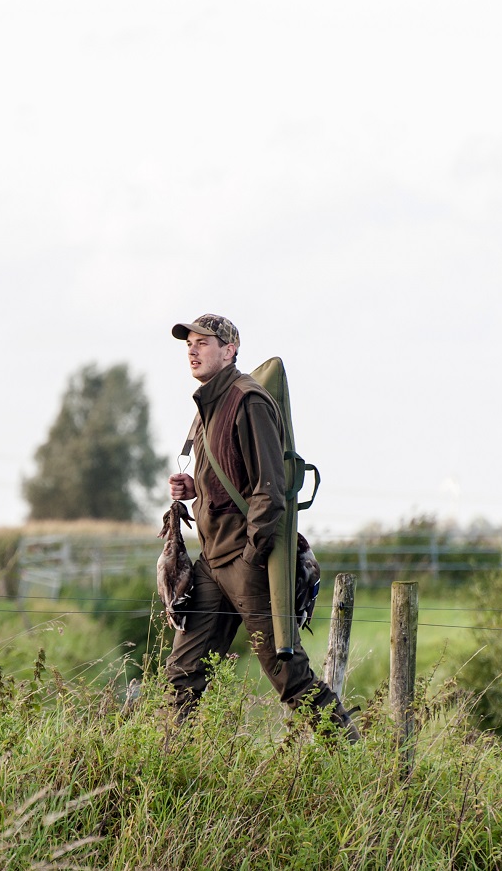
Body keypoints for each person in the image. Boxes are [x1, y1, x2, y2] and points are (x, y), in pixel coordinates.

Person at [165, 313, 358, 739]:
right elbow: (234, 479)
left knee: (290, 678)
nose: (193, 350)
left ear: (229, 350)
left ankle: (356, 760)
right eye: (189, 344)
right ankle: (169, 765)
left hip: (244, 560)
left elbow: (269, 490)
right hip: (212, 560)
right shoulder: (207, 405)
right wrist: (194, 486)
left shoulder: (248, 400)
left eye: (203, 343)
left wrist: (253, 559)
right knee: (183, 674)